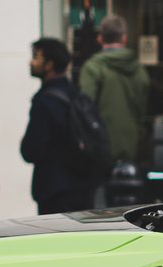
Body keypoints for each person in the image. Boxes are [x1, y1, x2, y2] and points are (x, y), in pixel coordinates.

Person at [23, 37, 93, 215]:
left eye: (36, 57)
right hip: (82, 185)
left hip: (53, 189)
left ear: (49, 64)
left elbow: (31, 150)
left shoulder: (45, 101)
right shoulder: (77, 95)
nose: (31, 62)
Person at [77, 13, 148, 168]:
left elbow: (85, 108)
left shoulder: (93, 68)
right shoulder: (139, 70)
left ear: (100, 38)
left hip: (101, 148)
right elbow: (143, 108)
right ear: (124, 38)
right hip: (132, 146)